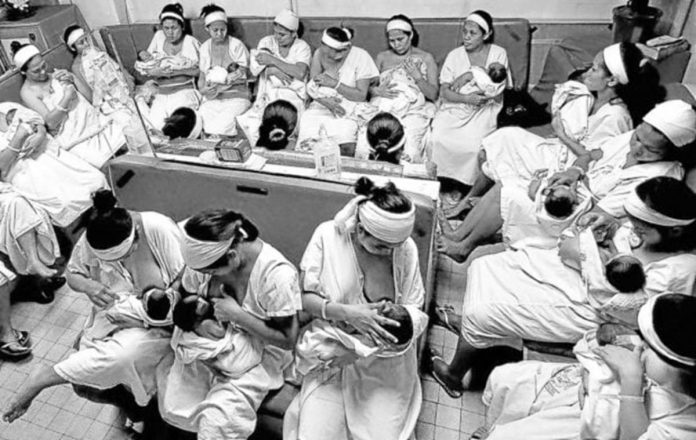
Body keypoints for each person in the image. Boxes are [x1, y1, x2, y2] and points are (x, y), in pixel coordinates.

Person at [430, 177, 696, 398]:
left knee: (484, 309)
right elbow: (585, 244)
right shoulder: (647, 232)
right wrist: (608, 231)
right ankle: (465, 326)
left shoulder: (680, 271)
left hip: (590, 309)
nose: (636, 232)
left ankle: (453, 375)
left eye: (643, 230)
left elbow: (622, 308)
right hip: (574, 276)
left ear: (674, 231)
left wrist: (585, 255)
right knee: (488, 268)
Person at [2, 190, 185, 424]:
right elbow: (73, 274)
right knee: (94, 362)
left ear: (136, 235)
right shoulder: (97, 233)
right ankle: (122, 400)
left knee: (124, 355)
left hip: (159, 320)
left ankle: (46, 376)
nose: (115, 264)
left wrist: (143, 320)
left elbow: (184, 290)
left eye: (124, 255)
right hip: (113, 315)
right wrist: (89, 286)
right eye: (107, 260)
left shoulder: (158, 229)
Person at [439, 99, 693, 261]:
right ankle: (458, 235)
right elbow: (592, 154)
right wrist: (573, 173)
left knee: (510, 191)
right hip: (571, 189)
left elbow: (592, 217)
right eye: (637, 138)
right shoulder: (631, 140)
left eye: (650, 150)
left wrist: (540, 194)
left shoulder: (658, 180)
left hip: (573, 218)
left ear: (669, 152)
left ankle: (464, 247)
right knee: (509, 180)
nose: (637, 149)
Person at [445, 42, 661, 221]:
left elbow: (596, 161)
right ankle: (469, 201)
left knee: (501, 149)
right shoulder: (590, 97)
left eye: (594, 69)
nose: (587, 72)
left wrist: (563, 135)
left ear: (611, 80)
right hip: (559, 148)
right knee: (499, 139)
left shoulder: (615, 116)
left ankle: (481, 207)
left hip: (569, 167)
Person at [283, 177, 429, 440]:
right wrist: (350, 314)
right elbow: (305, 299)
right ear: (360, 229)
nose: (389, 253)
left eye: (396, 246)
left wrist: (361, 350)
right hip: (333, 348)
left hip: (385, 357)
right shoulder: (328, 235)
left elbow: (414, 312)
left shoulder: (404, 249)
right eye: (382, 246)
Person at [157, 209, 301, 439]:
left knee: (218, 422)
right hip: (211, 345)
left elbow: (287, 340)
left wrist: (238, 316)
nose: (204, 276)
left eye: (210, 271)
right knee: (174, 403)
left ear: (233, 256)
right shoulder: (204, 261)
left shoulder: (276, 278)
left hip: (259, 351)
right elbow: (188, 295)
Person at [471, 293, 696, 440]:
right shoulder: (664, 373)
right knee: (510, 379)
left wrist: (631, 381)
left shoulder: (685, 427)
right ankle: (500, 425)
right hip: (586, 399)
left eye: (648, 348)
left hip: (594, 428)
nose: (639, 348)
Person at [428, 10, 510, 196]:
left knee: (473, 146)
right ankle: (441, 182)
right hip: (456, 105)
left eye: (472, 33)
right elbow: (444, 91)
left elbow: (496, 87)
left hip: (485, 108)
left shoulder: (498, 53)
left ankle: (467, 187)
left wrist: (471, 76)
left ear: (486, 34)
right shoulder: (455, 55)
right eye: (464, 32)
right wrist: (466, 98)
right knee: (437, 138)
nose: (466, 37)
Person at [14, 43, 127, 168]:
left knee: (132, 141)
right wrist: (67, 97)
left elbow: (90, 99)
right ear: (24, 72)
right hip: (75, 139)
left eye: (44, 65)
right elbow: (51, 122)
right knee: (111, 166)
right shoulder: (27, 92)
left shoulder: (58, 75)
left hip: (98, 124)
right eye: (36, 71)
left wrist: (73, 79)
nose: (43, 71)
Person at [0, 101, 108, 228]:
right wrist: (18, 138)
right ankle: (86, 233)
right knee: (66, 202)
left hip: (47, 154)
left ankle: (112, 217)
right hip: (21, 171)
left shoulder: (6, 107)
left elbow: (36, 120)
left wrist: (40, 134)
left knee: (95, 179)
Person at [296, 27, 379, 155]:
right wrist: (327, 103)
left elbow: (361, 95)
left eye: (334, 53)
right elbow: (312, 87)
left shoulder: (361, 56)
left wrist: (335, 84)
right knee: (307, 134)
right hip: (321, 105)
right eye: (326, 53)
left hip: (347, 108)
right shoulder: (319, 53)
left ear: (345, 49)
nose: (329, 57)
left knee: (344, 142)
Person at [369, 15, 439, 162]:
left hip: (412, 109)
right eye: (392, 41)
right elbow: (368, 88)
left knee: (411, 149)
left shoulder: (426, 58)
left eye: (400, 39)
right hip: (384, 105)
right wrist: (377, 91)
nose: (396, 44)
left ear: (411, 35)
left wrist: (417, 77)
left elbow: (433, 94)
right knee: (369, 141)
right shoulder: (382, 57)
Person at [237, 9, 311, 146]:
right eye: (275, 32)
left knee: (284, 122)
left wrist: (273, 62)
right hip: (268, 91)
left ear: (294, 34)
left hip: (292, 94)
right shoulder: (267, 42)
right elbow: (256, 67)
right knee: (249, 122)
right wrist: (273, 71)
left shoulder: (302, 47)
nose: (277, 37)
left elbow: (300, 72)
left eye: (282, 35)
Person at [138, 3, 201, 130]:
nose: (170, 33)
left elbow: (199, 71)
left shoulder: (190, 42)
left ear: (182, 26)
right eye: (166, 28)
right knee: (155, 127)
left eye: (174, 28)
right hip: (162, 94)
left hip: (183, 91)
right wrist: (155, 71)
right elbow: (146, 62)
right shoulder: (158, 37)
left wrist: (174, 72)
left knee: (178, 126)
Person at [197, 4, 251, 137]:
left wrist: (236, 75)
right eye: (215, 30)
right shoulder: (204, 48)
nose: (220, 33)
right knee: (200, 118)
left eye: (223, 29)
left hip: (236, 97)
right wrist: (203, 90)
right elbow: (202, 77)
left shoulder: (236, 45)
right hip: (213, 98)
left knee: (221, 125)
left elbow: (246, 73)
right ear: (207, 29)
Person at [63, 25, 135, 121]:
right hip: (108, 103)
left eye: (87, 39)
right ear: (73, 48)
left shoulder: (96, 51)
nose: (86, 44)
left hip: (124, 91)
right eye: (81, 43)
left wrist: (129, 81)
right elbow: (90, 96)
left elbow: (118, 68)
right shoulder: (77, 67)